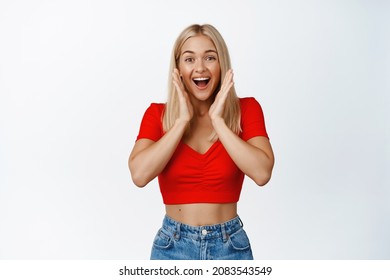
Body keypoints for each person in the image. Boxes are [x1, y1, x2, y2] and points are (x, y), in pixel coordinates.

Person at [128, 24, 274, 260]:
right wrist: (180, 123)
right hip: (172, 246)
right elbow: (139, 175)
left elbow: (262, 173)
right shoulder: (157, 115)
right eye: (189, 59)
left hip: (230, 246)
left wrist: (219, 122)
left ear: (222, 64)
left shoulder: (247, 110)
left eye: (210, 57)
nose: (200, 67)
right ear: (177, 68)